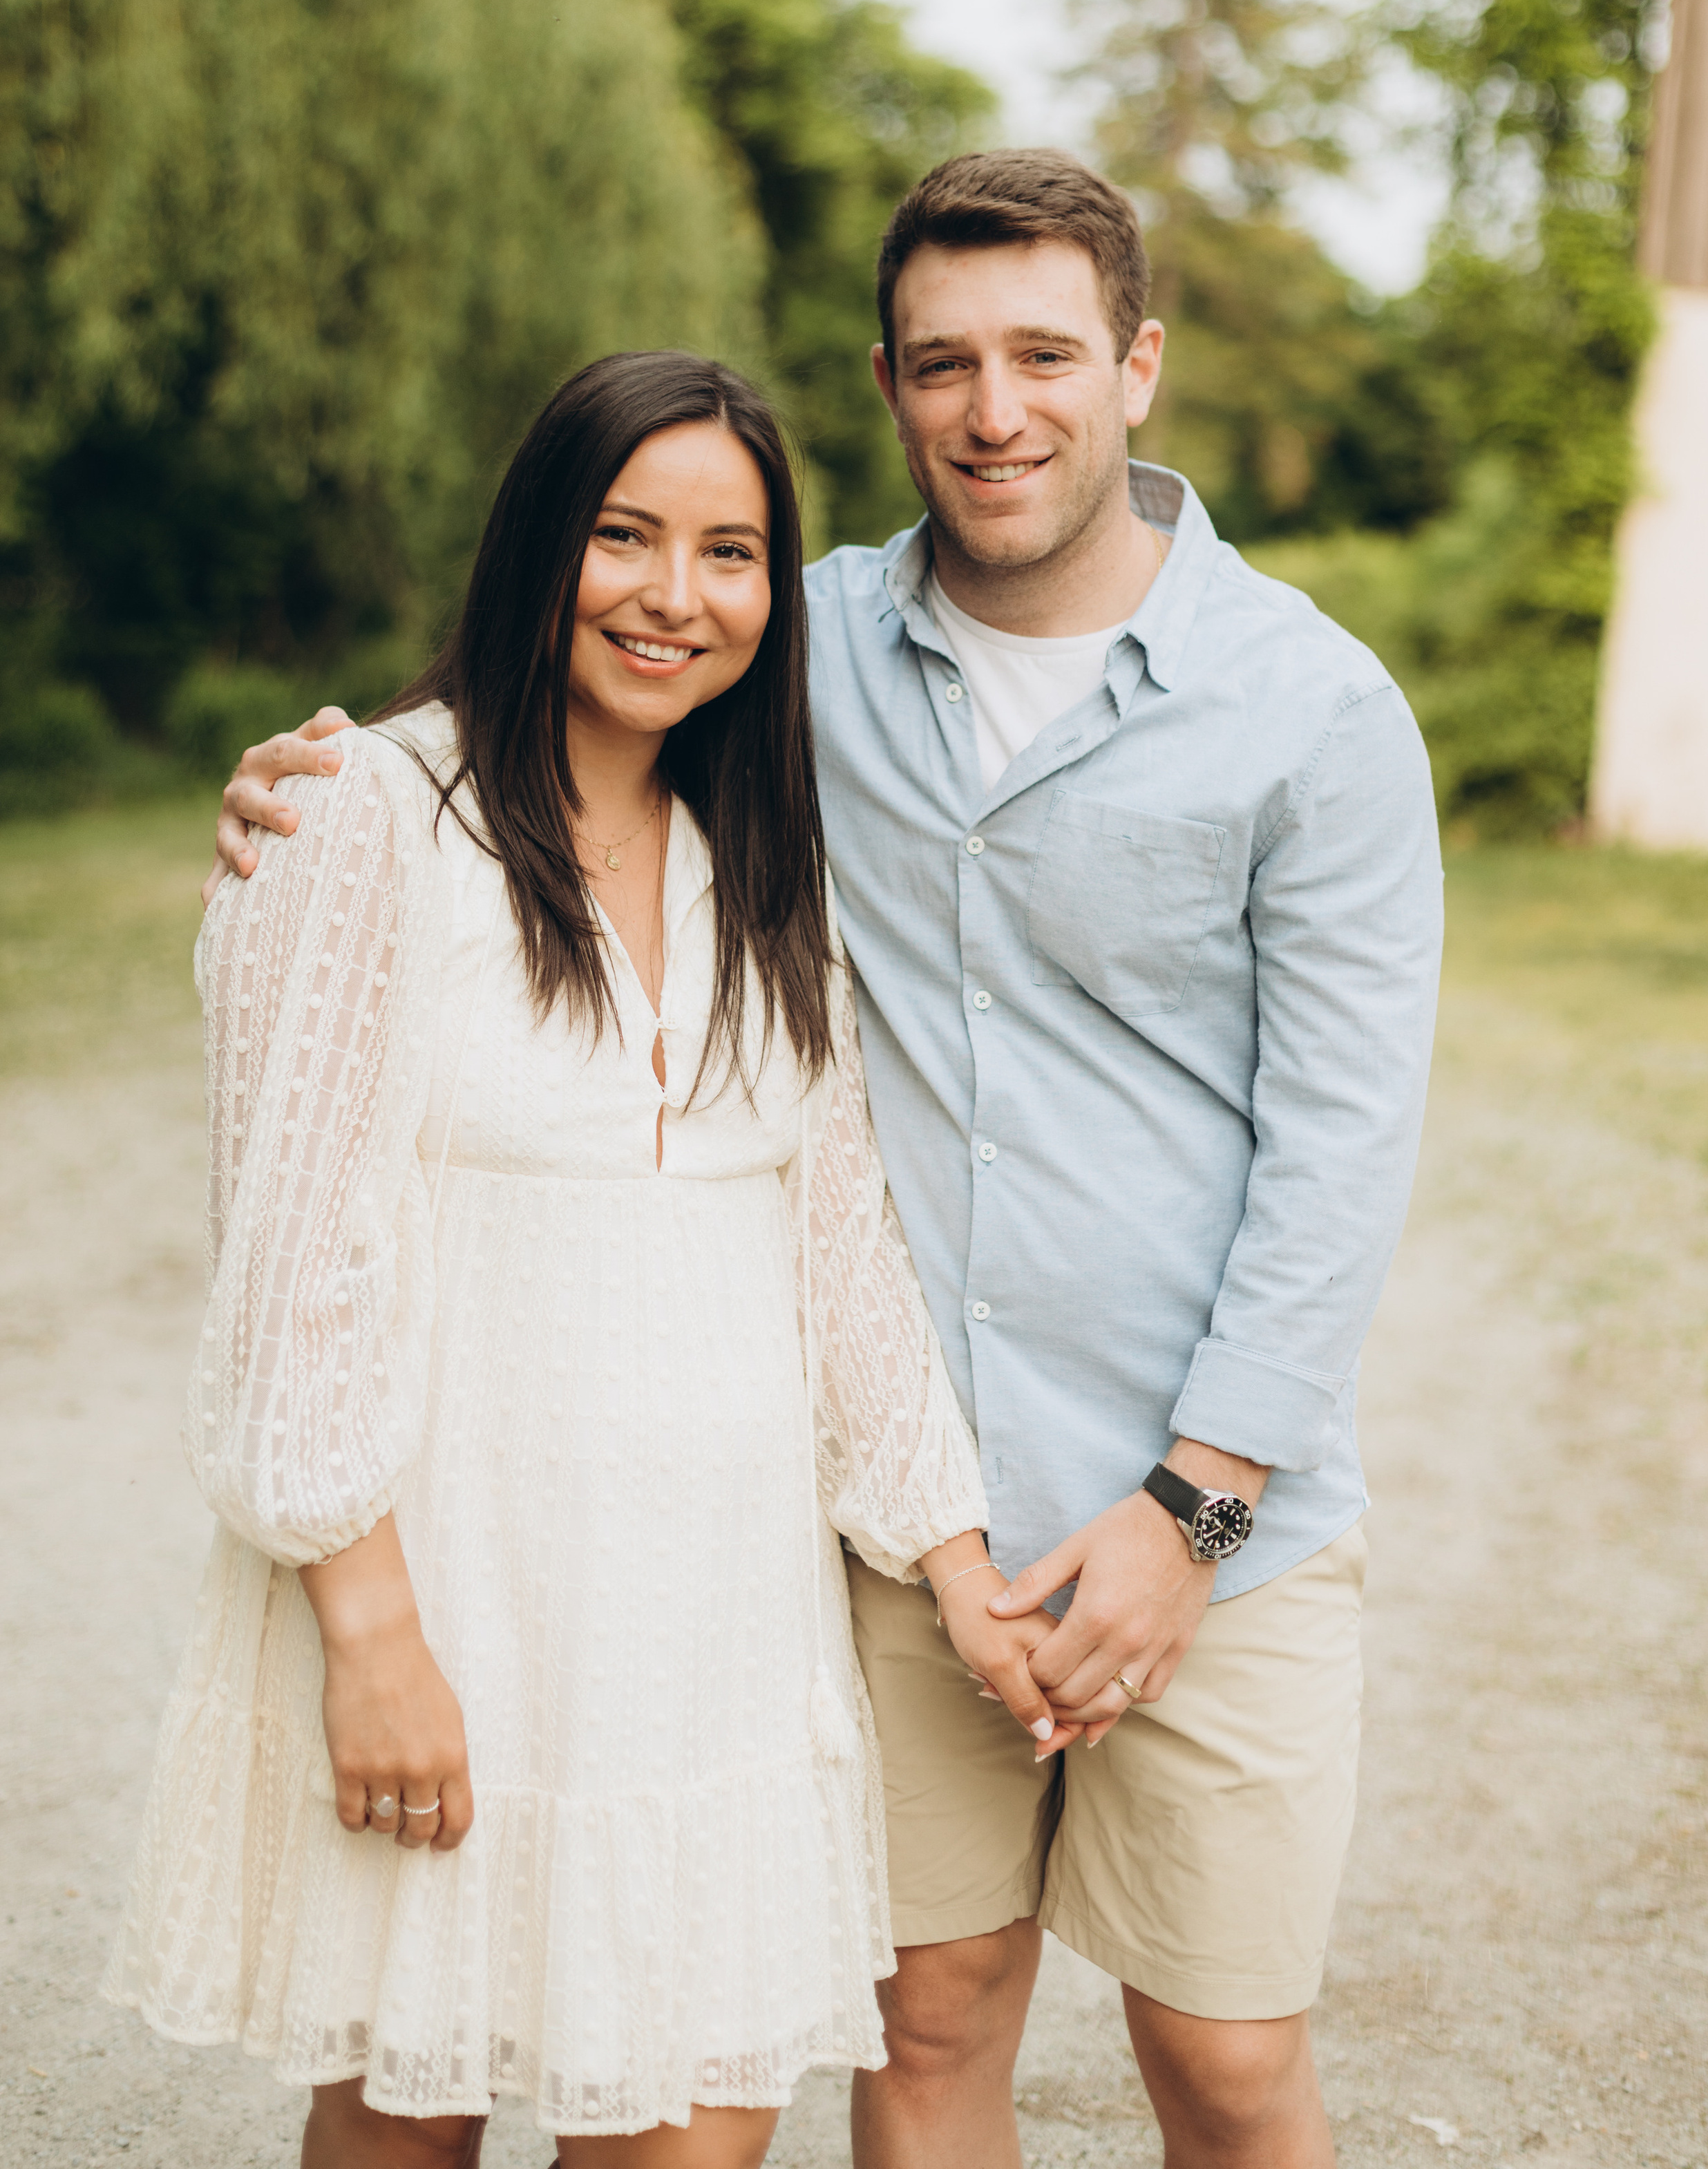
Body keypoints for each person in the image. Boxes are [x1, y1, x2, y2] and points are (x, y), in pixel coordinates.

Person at [203, 151, 1445, 2169]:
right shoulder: (801, 656)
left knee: (1222, 2060)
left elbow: (1341, 1152)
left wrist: (1193, 1510)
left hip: (1195, 1522)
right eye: (946, 362)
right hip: (863, 1544)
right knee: (921, 2025)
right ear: (887, 382)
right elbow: (554, 703)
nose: (996, 408)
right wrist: (303, 792)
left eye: (1047, 352)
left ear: (1138, 366)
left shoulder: (1313, 711)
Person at [105, 351, 1077, 2169]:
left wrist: (951, 1559)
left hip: (712, 1631)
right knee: (409, 2112)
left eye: (728, 555)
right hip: (453, 1592)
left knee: (691, 2136)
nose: (672, 596)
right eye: (624, 537)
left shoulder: (768, 861)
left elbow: (841, 1247)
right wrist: (371, 1635)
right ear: (540, 543)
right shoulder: (363, 819)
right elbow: (291, 1260)